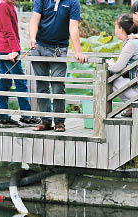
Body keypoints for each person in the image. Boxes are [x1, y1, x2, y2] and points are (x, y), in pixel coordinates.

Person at [29, 0, 87, 132]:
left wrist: (78, 51)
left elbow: (73, 27)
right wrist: (32, 37)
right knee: (41, 86)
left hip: (59, 48)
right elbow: (34, 19)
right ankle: (45, 121)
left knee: (58, 86)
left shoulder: (73, 2)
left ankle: (59, 121)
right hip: (39, 46)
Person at [0, 0, 39, 126]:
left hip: (3, 48)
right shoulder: (3, 4)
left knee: (4, 82)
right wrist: (14, 49)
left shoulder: (8, 3)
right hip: (8, 50)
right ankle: (26, 116)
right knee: (20, 82)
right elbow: (7, 29)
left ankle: (3, 117)